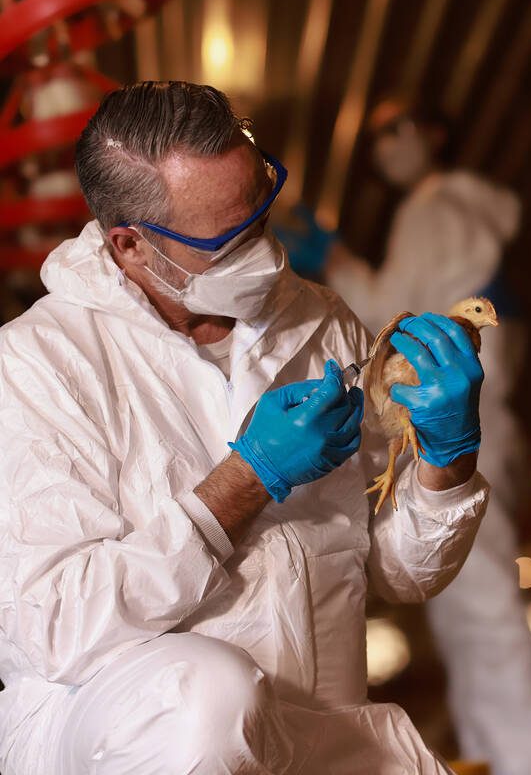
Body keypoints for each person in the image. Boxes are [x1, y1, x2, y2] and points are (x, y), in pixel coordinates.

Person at [0, 81, 491, 774]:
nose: (261, 247)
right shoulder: (39, 364)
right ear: (132, 245)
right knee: (206, 700)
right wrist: (244, 481)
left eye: (260, 211)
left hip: (318, 734)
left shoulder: (318, 320)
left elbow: (399, 574)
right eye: (228, 239)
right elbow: (52, 626)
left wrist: (446, 460)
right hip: (127, 747)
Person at [326, 98, 531, 775]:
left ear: (434, 133)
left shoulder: (437, 207)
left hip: (458, 421)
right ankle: (497, 752)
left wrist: (333, 259)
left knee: (478, 598)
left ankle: (521, 759)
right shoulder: (451, 209)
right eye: (375, 138)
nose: (385, 145)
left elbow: (384, 308)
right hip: (465, 416)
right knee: (462, 599)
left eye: (397, 128)